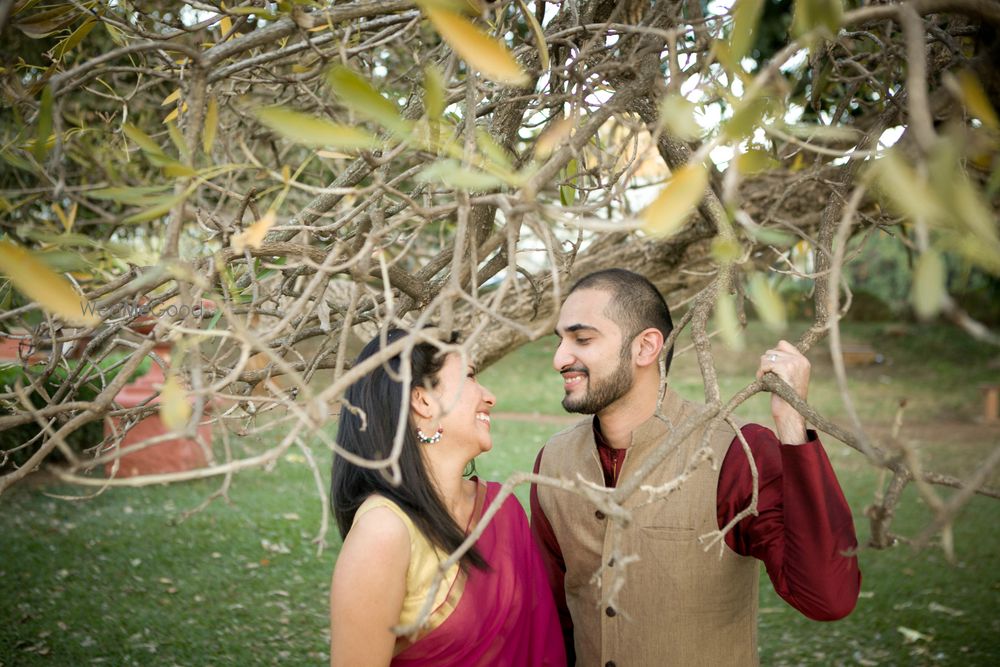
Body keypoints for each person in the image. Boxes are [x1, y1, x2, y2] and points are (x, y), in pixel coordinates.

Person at [530, 269, 861, 666]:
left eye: (582, 339)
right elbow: (553, 620)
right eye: (561, 341)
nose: (558, 359)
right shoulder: (553, 463)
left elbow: (827, 597)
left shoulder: (736, 454)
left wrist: (793, 423)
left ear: (646, 347)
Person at [329, 329, 565, 667]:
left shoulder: (501, 510)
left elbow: (541, 647)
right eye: (469, 376)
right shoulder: (383, 532)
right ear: (422, 400)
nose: (490, 396)